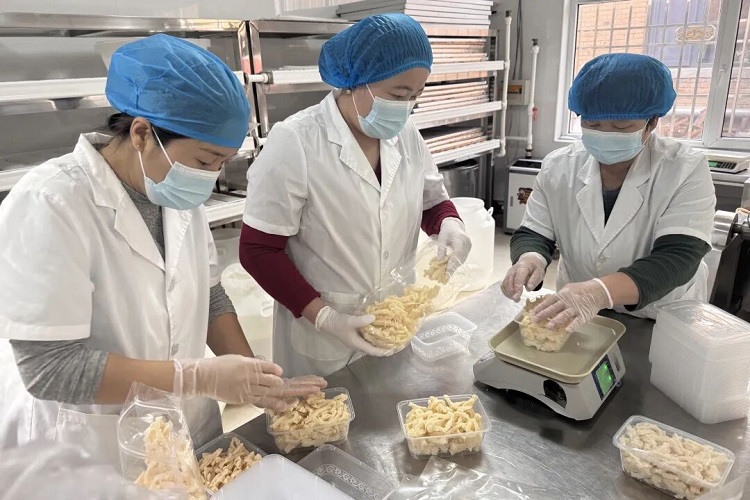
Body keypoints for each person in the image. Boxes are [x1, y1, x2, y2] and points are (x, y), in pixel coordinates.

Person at [0, 34, 325, 465]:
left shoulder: (172, 190)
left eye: (223, 163)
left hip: (189, 428)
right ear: (141, 133)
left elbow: (208, 296)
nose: (211, 177)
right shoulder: (51, 203)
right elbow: (50, 369)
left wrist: (254, 378)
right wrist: (195, 378)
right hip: (101, 447)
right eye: (205, 161)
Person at [240, 14, 472, 377]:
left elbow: (430, 201)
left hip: (394, 322)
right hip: (322, 337)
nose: (406, 107)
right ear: (353, 82)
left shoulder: (406, 135)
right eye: (398, 95)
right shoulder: (297, 141)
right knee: (325, 410)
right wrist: (324, 316)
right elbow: (258, 250)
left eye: (415, 96)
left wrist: (449, 224)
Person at [501, 53, 715, 331]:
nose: (605, 133)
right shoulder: (558, 166)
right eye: (592, 124)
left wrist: (600, 292)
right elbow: (535, 230)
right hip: (578, 312)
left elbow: (678, 257)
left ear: (652, 122)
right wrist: (530, 258)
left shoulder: (684, 169)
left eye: (621, 126)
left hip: (658, 315)